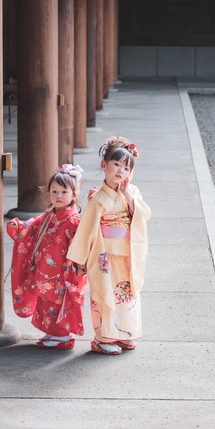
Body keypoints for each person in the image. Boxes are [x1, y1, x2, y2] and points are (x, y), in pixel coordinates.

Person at [65, 137, 151, 355]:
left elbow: (143, 215)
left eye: (126, 167)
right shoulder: (98, 198)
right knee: (105, 296)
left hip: (127, 255)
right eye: (116, 164)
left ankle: (125, 334)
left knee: (126, 295)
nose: (121, 171)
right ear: (104, 164)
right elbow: (86, 229)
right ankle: (103, 338)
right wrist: (81, 259)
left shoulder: (132, 193)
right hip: (104, 256)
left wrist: (128, 195)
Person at [6, 164, 88, 349]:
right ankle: (52, 332)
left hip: (63, 271)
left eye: (64, 192)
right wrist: (21, 226)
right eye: (54, 191)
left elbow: (81, 245)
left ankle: (63, 336)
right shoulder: (51, 213)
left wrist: (80, 264)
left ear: (74, 194)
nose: (59, 196)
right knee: (45, 301)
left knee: (59, 302)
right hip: (46, 269)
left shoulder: (74, 220)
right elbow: (34, 225)